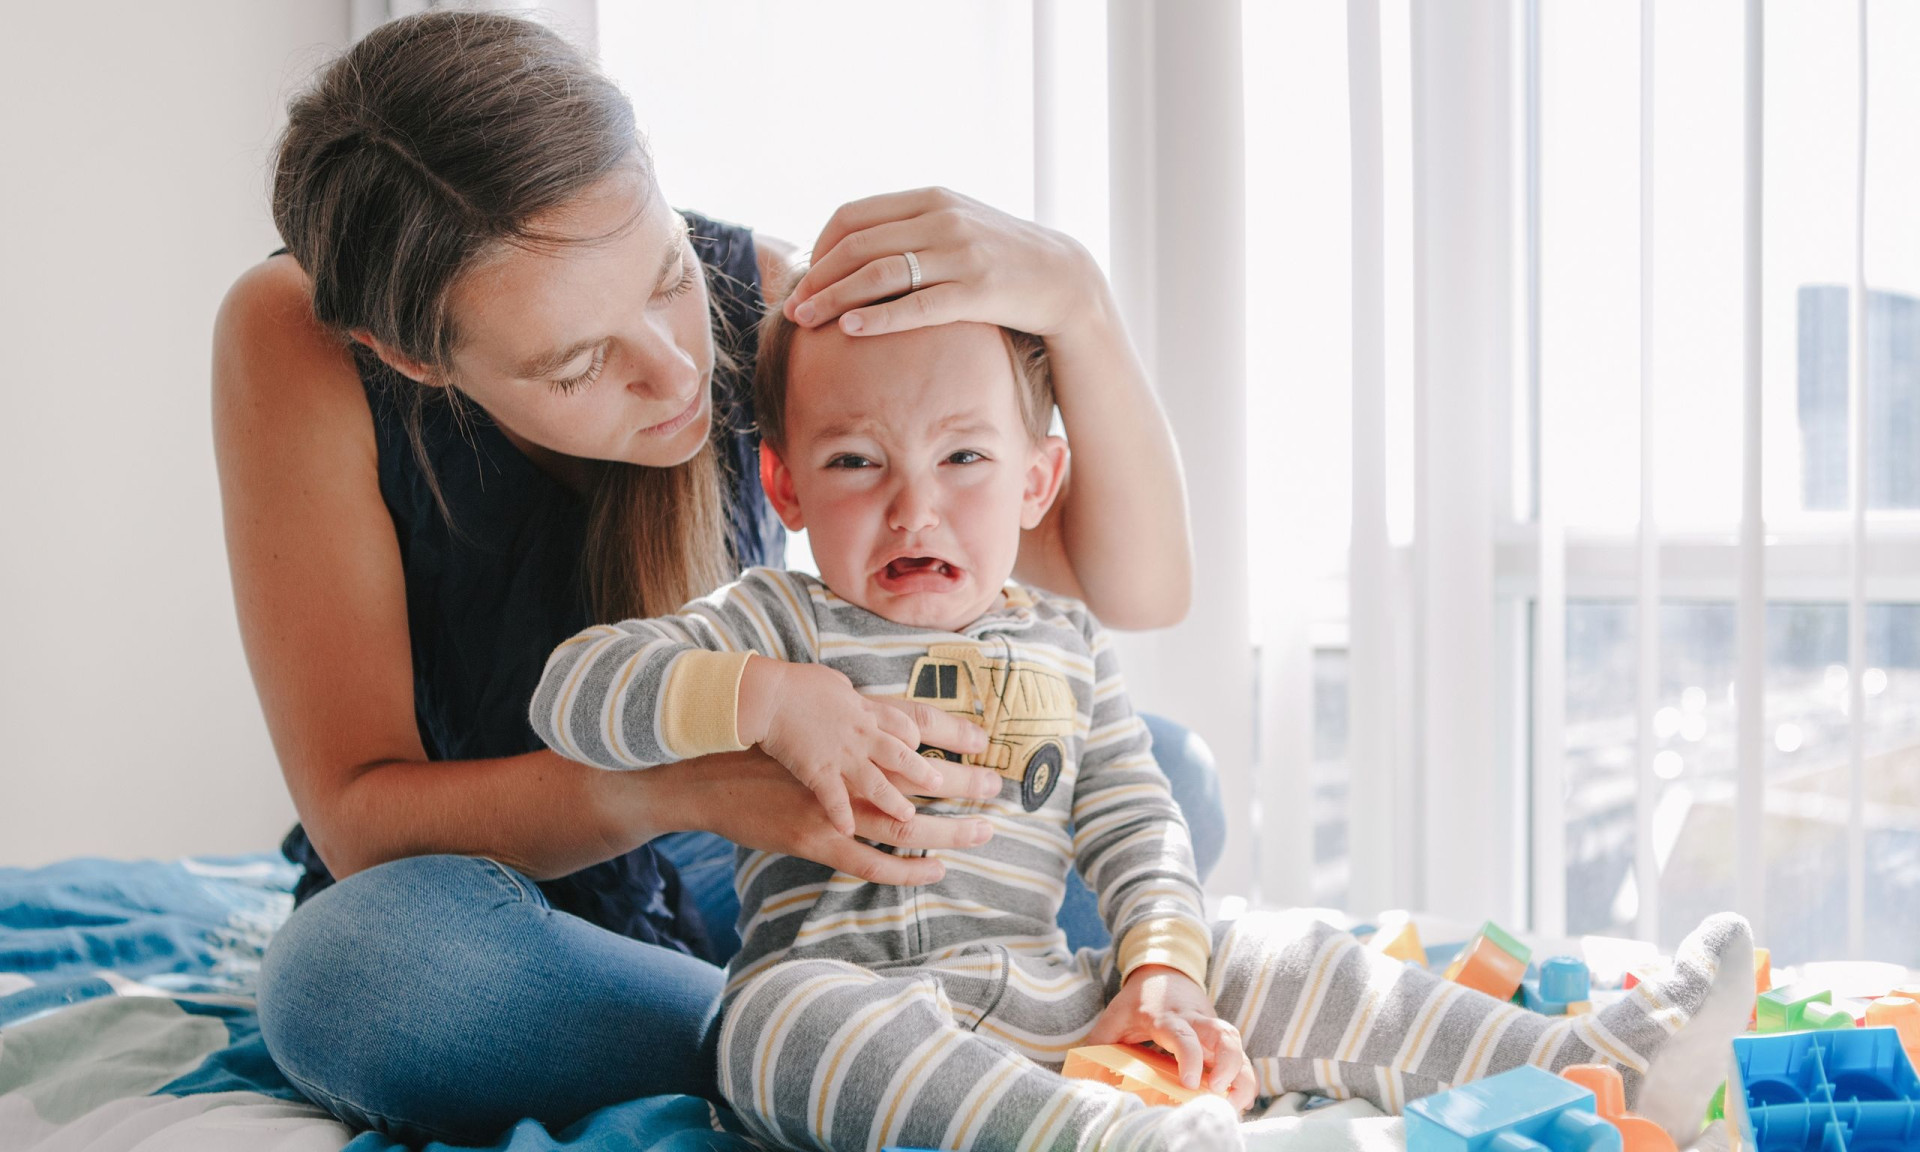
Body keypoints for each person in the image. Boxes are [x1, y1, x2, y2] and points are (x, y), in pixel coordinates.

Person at [219, 10, 1217, 1146]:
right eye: (579, 363)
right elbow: (357, 816)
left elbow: (1132, 586)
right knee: (359, 977)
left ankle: (860, 1039)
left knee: (1168, 776)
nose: (679, 368)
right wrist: (688, 783)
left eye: (664, 275)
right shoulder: (295, 338)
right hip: (513, 887)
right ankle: (830, 1038)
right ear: (411, 358)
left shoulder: (777, 301)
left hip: (739, 870)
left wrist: (1077, 302)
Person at [529, 292, 1758, 1152]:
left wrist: (1164, 971)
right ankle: (1094, 1139)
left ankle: (1591, 1057)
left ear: (1036, 480)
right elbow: (573, 694)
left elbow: (1134, 819)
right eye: (856, 463)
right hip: (855, 1005)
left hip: (1046, 993)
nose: (914, 508)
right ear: (784, 484)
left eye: (963, 457)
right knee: (767, 1023)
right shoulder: (771, 620)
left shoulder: (1063, 640)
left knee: (1267, 947)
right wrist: (762, 699)